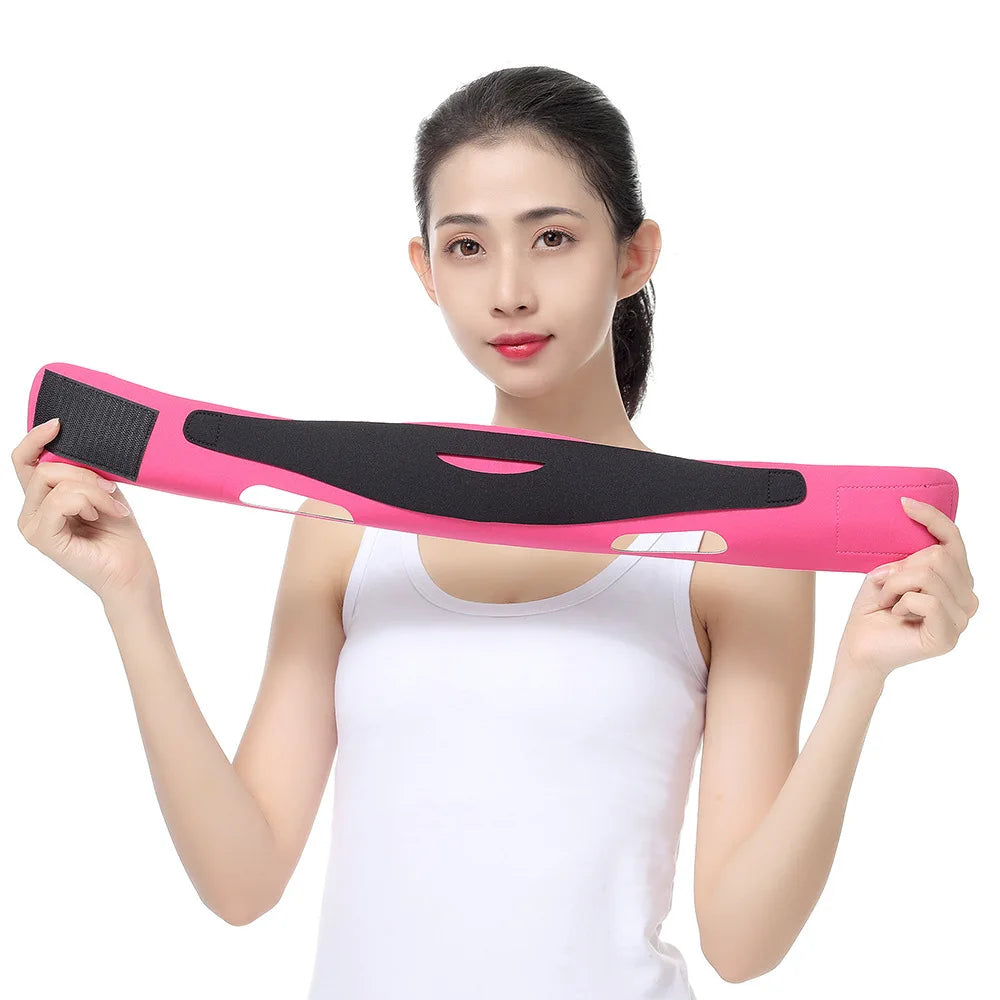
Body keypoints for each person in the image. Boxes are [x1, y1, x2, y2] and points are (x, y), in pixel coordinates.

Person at [11, 65, 978, 999]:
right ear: (426, 270)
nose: (509, 290)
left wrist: (861, 678)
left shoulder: (733, 551)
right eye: (468, 247)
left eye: (553, 237)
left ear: (633, 256)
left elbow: (742, 943)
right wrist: (130, 598)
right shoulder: (343, 527)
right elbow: (242, 879)